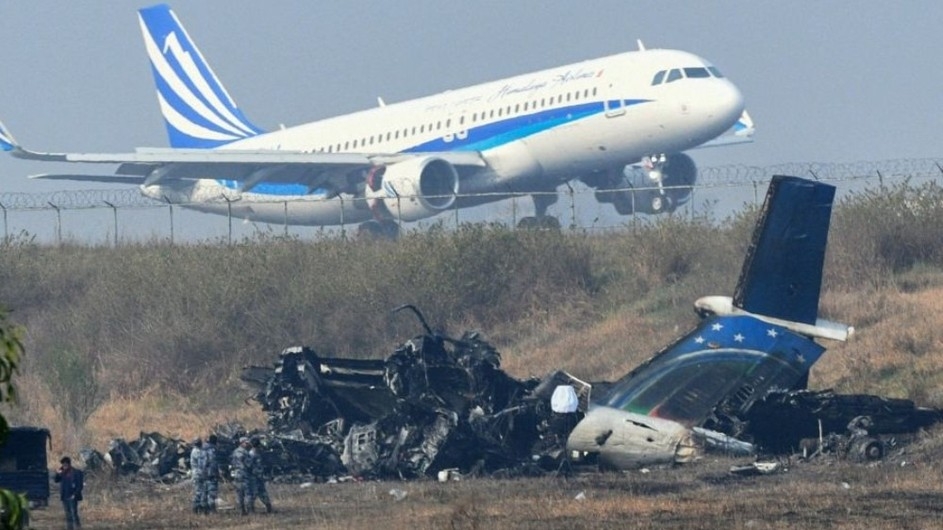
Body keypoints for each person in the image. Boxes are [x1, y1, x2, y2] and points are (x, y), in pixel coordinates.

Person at [53, 456, 84, 530]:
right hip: (64, 496)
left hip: (72, 496)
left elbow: (80, 486)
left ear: (69, 464)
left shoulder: (76, 472)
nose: (64, 466)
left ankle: (78, 527)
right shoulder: (62, 472)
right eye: (63, 465)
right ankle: (70, 528)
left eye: (65, 465)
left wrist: (75, 495)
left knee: (74, 514)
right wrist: (57, 473)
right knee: (68, 515)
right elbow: (56, 480)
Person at [248, 438, 273, 514]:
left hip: (259, 477)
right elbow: (249, 466)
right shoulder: (251, 454)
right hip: (254, 477)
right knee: (253, 493)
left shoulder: (257, 453)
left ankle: (269, 507)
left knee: (262, 492)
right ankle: (251, 509)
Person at [230, 437, 251, 516]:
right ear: (241, 443)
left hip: (237, 474)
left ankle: (241, 511)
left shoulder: (234, 452)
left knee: (239, 494)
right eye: (246, 443)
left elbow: (232, 462)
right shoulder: (245, 453)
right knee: (247, 493)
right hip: (244, 474)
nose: (247, 444)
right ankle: (248, 510)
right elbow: (249, 464)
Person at [202, 434, 220, 513]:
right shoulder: (212, 451)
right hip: (211, 474)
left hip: (203, 474)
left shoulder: (203, 449)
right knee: (212, 492)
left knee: (204, 492)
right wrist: (216, 473)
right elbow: (212, 463)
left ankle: (204, 509)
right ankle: (212, 510)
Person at [189, 437, 206, 514]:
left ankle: (200, 507)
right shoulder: (196, 451)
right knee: (198, 492)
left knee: (201, 491)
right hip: (198, 474)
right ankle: (196, 508)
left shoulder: (199, 450)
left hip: (200, 473)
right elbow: (201, 462)